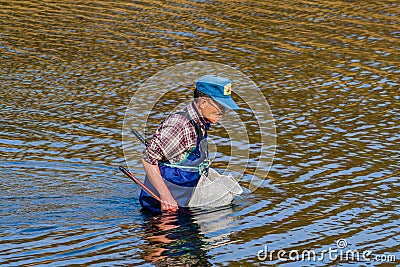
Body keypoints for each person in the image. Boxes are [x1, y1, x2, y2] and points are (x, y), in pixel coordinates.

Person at [140, 74, 239, 213]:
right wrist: (165, 196)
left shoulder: (201, 122)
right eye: (221, 106)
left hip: (183, 204)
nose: (224, 112)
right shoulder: (179, 125)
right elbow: (148, 159)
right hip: (162, 210)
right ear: (203, 102)